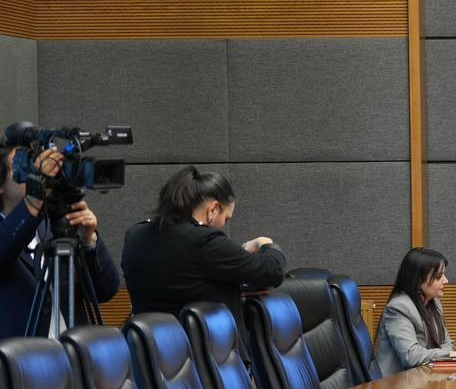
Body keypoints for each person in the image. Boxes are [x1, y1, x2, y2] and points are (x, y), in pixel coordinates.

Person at [121, 166, 285, 334]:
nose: (224, 226)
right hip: (205, 346)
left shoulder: (134, 235)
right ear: (213, 209)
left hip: (149, 344)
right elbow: (273, 270)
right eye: (226, 219)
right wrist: (264, 243)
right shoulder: (204, 241)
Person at [0, 143, 120, 338]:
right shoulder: (10, 232)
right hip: (24, 353)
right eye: (23, 165)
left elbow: (106, 291)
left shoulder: (54, 225)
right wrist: (33, 200)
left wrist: (88, 240)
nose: (37, 172)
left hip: (72, 350)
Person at [377, 247, 456, 376]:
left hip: (425, 378)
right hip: (396, 383)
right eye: (438, 277)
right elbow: (411, 356)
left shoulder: (434, 303)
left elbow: (448, 343)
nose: (446, 281)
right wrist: (453, 355)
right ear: (418, 280)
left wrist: (451, 354)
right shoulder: (398, 308)